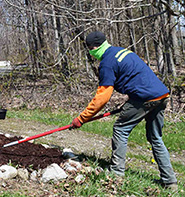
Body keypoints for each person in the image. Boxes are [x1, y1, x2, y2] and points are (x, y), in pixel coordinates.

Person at [71, 31, 177, 190]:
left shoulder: (106, 63)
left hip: (144, 98)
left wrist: (82, 118)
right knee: (155, 137)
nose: (90, 52)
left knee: (120, 129)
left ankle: (116, 174)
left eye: (90, 49)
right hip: (161, 94)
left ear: (93, 48)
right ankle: (170, 182)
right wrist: (129, 103)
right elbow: (138, 76)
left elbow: (102, 98)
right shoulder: (121, 51)